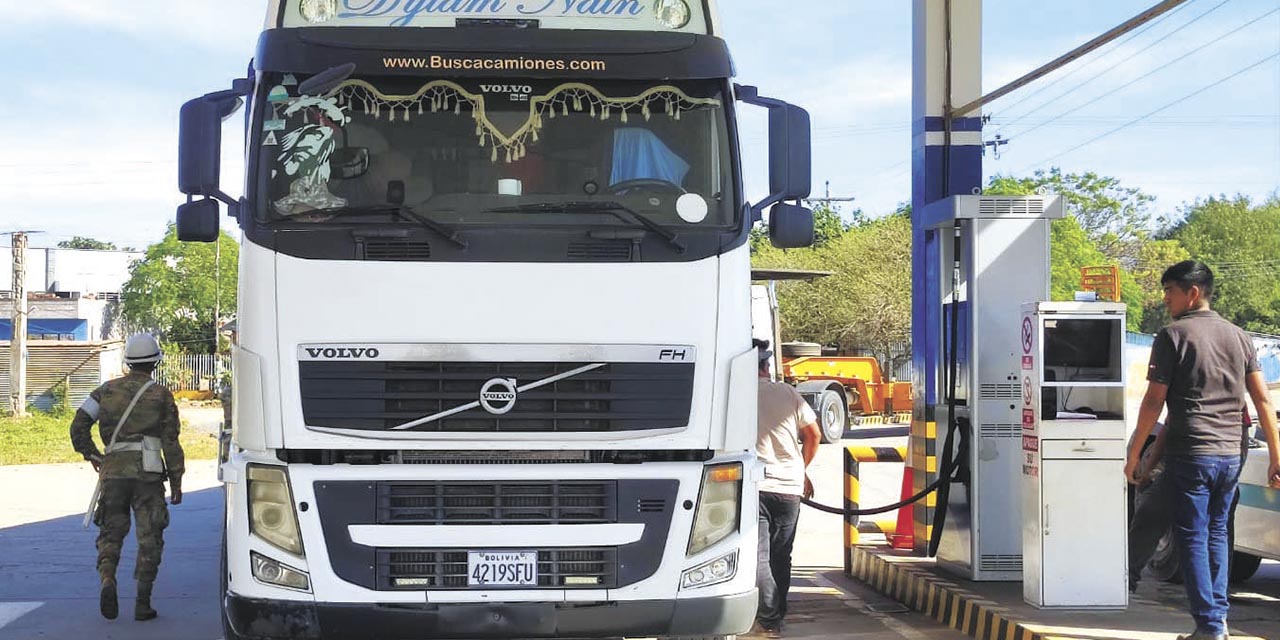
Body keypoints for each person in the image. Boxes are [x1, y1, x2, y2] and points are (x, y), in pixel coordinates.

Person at [1124, 261, 1280, 640]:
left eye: (1169, 292)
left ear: (1193, 293)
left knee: (1192, 534)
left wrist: (1133, 453)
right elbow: (1262, 400)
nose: (1165, 300)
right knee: (1215, 533)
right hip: (1231, 454)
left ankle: (1210, 626)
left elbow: (1153, 402)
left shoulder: (1173, 335)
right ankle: (1216, 620)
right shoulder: (1239, 336)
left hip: (1192, 452)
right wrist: (1276, 457)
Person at [70, 334, 185, 622]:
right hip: (148, 475)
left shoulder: (105, 391)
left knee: (111, 532)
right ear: (155, 363)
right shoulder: (161, 395)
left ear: (128, 362)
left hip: (114, 472)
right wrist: (177, 482)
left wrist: (93, 455)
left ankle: (108, 579)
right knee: (150, 538)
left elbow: (78, 425)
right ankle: (142, 604)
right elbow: (171, 442)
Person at [753, 339, 822, 638]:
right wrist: (802, 470)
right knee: (782, 554)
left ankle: (768, 618)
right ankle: (778, 612)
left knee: (758, 557)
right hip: (790, 485)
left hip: (756, 486)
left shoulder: (732, 393)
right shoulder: (787, 392)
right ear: (766, 367)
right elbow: (814, 435)